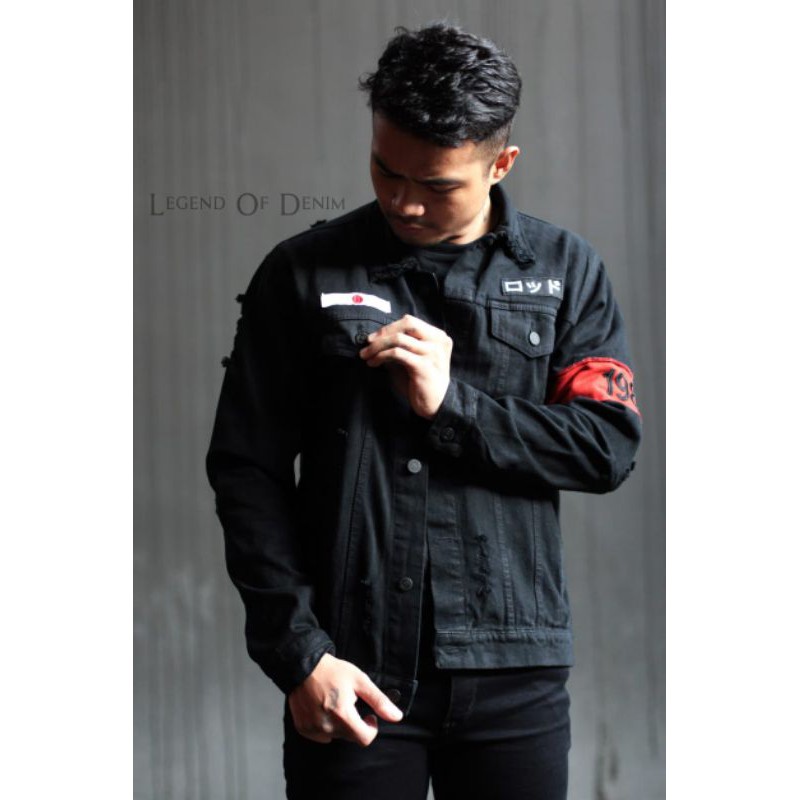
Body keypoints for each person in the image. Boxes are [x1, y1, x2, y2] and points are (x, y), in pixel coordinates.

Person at [206, 22, 641, 800]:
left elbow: (605, 447)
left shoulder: (566, 271)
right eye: (385, 169)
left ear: (501, 164)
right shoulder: (301, 273)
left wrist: (453, 406)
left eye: (437, 186)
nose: (403, 201)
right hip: (351, 667)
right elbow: (246, 470)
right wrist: (300, 654)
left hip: (514, 670)